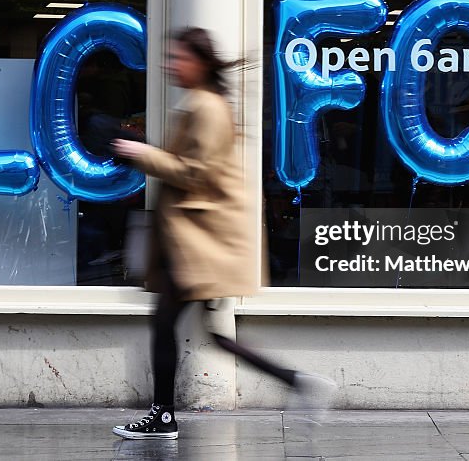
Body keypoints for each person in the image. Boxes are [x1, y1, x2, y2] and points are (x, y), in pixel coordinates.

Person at [110, 27, 333, 441]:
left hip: (196, 243)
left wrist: (145, 155)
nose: (170, 65)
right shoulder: (204, 103)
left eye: (178, 58)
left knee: (165, 325)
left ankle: (163, 418)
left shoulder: (207, 107)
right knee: (208, 334)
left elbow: (200, 175)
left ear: (200, 63)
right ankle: (299, 382)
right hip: (197, 242)